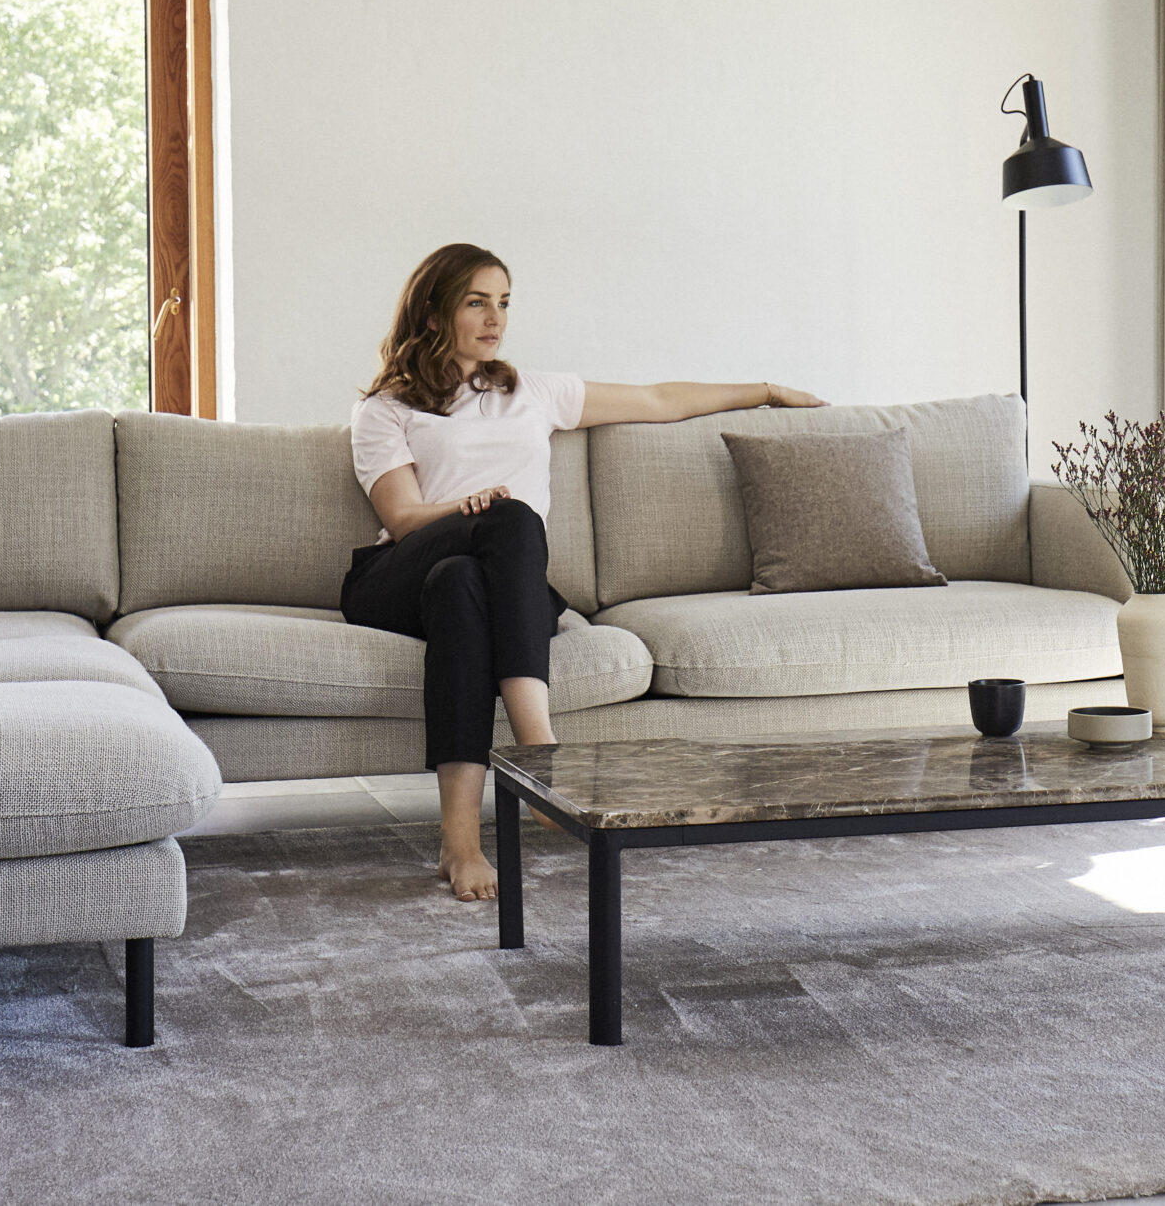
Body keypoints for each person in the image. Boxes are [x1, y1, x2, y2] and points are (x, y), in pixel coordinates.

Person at [344, 243, 824, 902]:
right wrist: (476, 506)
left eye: (503, 302)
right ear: (433, 312)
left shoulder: (530, 391)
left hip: (485, 586)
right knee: (507, 521)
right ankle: (540, 754)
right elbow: (402, 518)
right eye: (476, 302)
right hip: (401, 576)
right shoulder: (386, 408)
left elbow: (657, 399)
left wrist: (766, 390)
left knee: (462, 582)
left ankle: (460, 843)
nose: (495, 318)